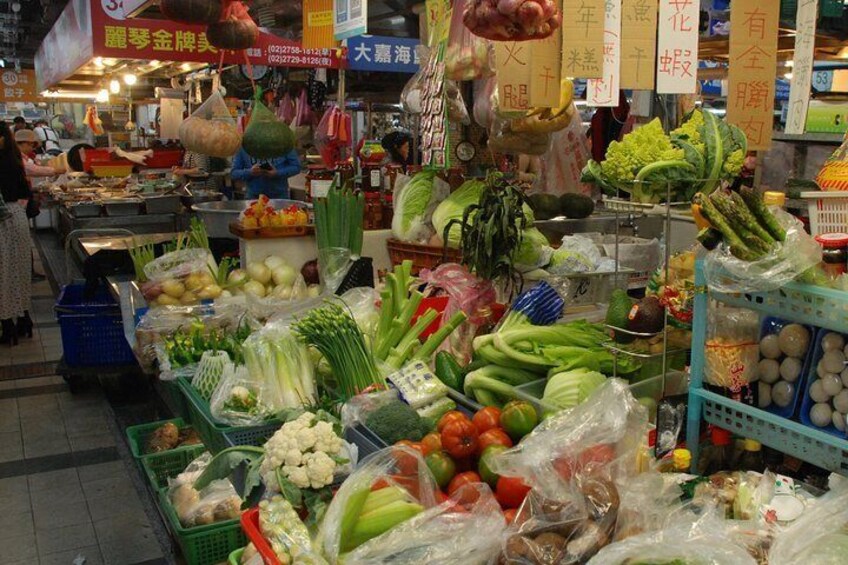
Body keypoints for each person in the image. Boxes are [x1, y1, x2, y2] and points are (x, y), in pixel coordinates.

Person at [0, 121, 33, 345]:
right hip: (17, 217)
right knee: (19, 271)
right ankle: (24, 319)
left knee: (4, 274)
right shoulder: (14, 159)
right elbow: (24, 190)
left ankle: (7, 326)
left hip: (3, 221)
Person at [231, 148, 300, 199]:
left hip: (279, 196)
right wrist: (250, 172)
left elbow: (296, 167)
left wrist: (277, 173)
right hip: (254, 197)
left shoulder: (283, 144)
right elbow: (233, 173)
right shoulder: (244, 148)